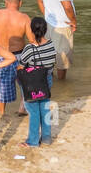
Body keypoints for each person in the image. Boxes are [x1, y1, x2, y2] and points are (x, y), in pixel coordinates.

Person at [4, 17, 57, 147]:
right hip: (46, 80)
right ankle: (46, 138)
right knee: (45, 108)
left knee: (33, 111)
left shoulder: (29, 48)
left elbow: (21, 67)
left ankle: (33, 141)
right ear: (45, 30)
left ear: (32, 30)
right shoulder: (51, 44)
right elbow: (52, 63)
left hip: (31, 83)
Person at [0, 0, 34, 117]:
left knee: (2, 86)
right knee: (25, 83)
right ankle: (22, 108)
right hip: (19, 55)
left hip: (1, 56)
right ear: (20, 3)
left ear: (6, 2)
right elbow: (32, 40)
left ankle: (2, 113)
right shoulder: (24, 18)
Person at [37, 0, 77, 81]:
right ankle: (62, 85)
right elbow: (67, 6)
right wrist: (74, 21)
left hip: (49, 24)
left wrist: (46, 14)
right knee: (62, 59)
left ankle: (50, 80)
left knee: (49, 55)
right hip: (62, 26)